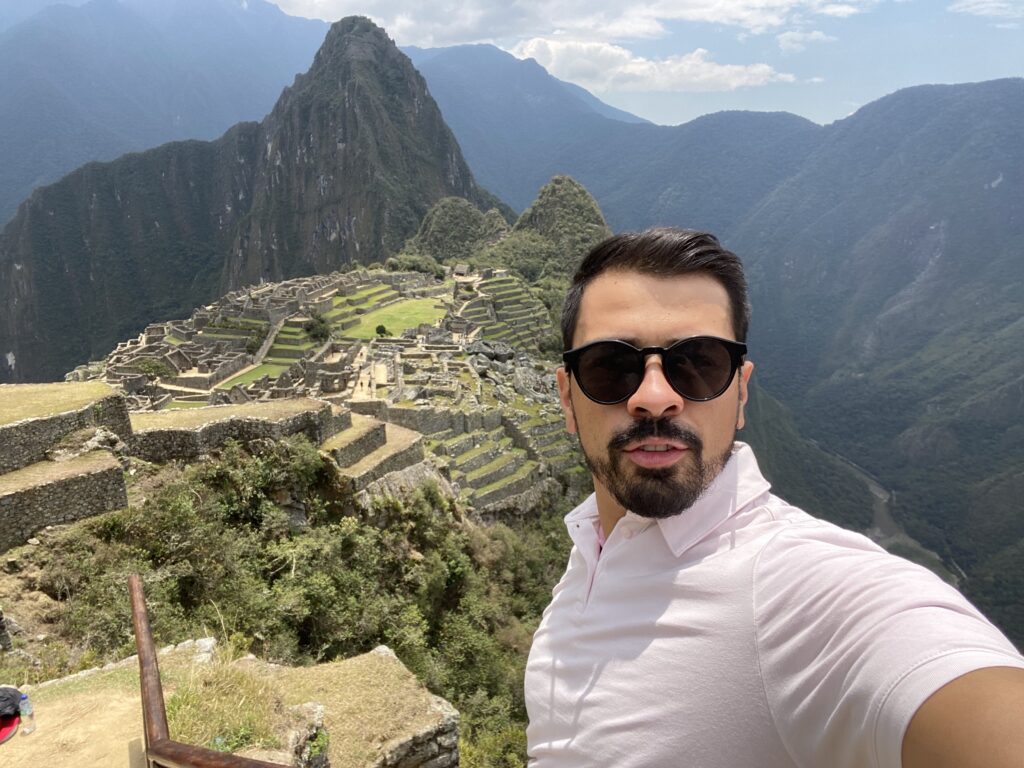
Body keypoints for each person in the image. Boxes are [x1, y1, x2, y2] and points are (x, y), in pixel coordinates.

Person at [524, 228, 1024, 767]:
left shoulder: (799, 592)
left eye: (699, 363)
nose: (654, 397)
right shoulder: (588, 554)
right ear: (567, 397)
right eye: (611, 366)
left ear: (741, 392)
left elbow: (945, 675)